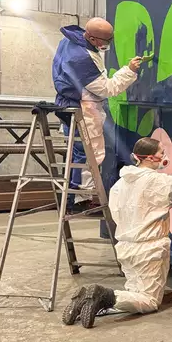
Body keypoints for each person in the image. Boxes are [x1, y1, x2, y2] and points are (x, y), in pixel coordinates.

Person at [62, 136, 172, 328]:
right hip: (150, 250)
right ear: (149, 157)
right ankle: (103, 295)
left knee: (134, 294)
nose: (164, 156)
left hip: (125, 248)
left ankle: (84, 300)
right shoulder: (160, 182)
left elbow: (117, 215)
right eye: (161, 153)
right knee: (149, 301)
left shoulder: (119, 185)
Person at [51, 17, 142, 208]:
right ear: (92, 38)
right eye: (106, 40)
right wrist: (129, 71)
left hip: (71, 103)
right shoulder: (82, 59)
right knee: (89, 153)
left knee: (79, 152)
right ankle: (81, 197)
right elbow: (107, 89)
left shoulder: (71, 41)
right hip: (83, 107)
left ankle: (74, 197)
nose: (108, 44)